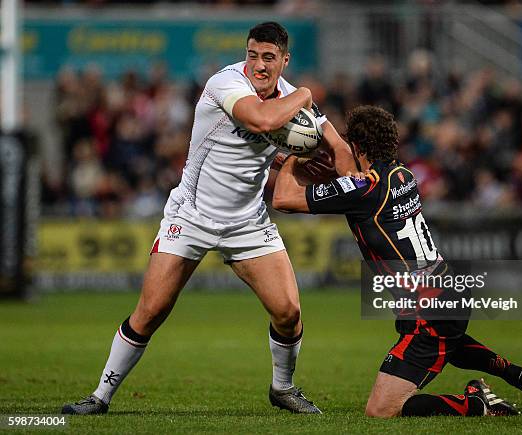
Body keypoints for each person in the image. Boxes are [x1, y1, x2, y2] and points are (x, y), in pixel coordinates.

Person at [61, 21, 356, 415]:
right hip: (191, 215)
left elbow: (337, 145)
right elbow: (263, 122)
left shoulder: (290, 99)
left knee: (289, 311)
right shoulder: (227, 83)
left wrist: (354, 182)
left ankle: (282, 388)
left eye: (269, 58)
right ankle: (99, 397)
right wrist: (305, 93)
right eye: (253, 55)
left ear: (284, 60)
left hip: (247, 222)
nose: (259, 66)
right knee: (151, 311)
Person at [272, 105, 522, 418]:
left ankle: (475, 403)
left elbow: (283, 198)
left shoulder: (362, 189)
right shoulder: (402, 174)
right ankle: (517, 375)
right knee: (449, 342)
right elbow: (354, 179)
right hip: (448, 290)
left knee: (381, 410)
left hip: (427, 307)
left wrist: (293, 152)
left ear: (358, 148)